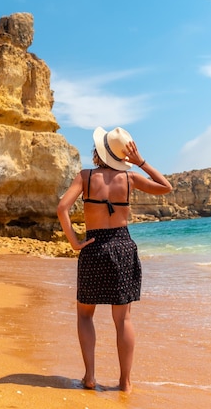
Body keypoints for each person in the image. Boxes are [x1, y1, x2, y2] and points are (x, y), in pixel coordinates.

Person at [57, 126, 172, 393]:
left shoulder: (85, 177)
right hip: (122, 247)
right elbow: (166, 187)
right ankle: (126, 383)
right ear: (123, 155)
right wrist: (140, 161)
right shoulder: (130, 178)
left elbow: (62, 207)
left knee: (85, 315)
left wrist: (74, 242)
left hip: (94, 248)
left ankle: (89, 376)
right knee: (124, 320)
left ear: (99, 151)